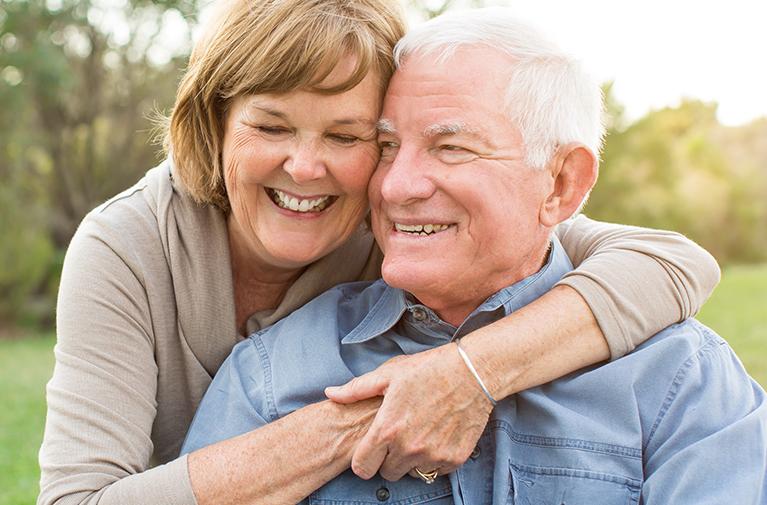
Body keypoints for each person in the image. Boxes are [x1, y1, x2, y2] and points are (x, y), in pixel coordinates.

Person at [37, 1, 721, 504]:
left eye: (349, 136)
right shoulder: (127, 246)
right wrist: (368, 417)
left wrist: (465, 372)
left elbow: (671, 265)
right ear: (213, 126)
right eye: (270, 125)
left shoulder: (397, 214)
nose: (305, 167)